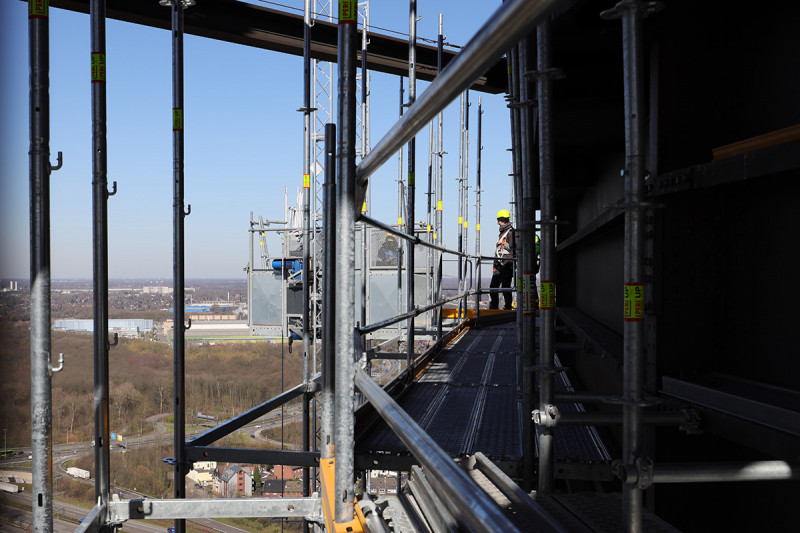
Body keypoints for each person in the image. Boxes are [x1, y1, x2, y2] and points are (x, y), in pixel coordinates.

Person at [490, 209, 516, 309]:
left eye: (498, 221)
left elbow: (513, 250)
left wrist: (508, 263)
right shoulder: (503, 232)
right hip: (499, 264)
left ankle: (508, 307)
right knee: (493, 287)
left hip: (507, 265)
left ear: (502, 220)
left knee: (506, 287)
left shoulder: (511, 232)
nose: (497, 223)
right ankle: (494, 307)